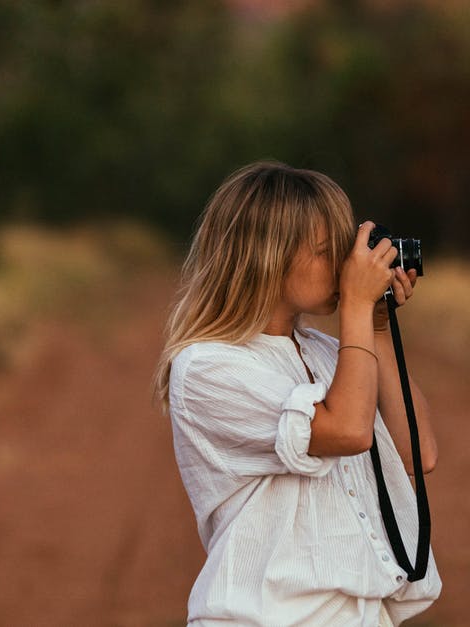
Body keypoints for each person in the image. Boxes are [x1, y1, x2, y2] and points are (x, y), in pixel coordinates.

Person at [154, 161, 441, 625]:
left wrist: (376, 325)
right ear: (267, 257)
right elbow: (347, 431)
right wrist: (355, 305)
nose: (344, 266)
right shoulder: (207, 367)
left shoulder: (334, 353)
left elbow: (418, 454)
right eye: (328, 251)